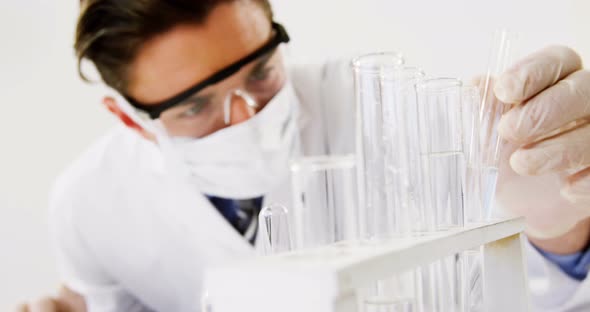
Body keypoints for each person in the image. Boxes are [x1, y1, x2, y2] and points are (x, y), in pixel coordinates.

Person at [16, 0, 590, 311]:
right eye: (195, 107)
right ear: (129, 119)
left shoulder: (383, 107)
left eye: (261, 72)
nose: (247, 117)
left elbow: (534, 288)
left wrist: (563, 228)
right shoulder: (87, 204)